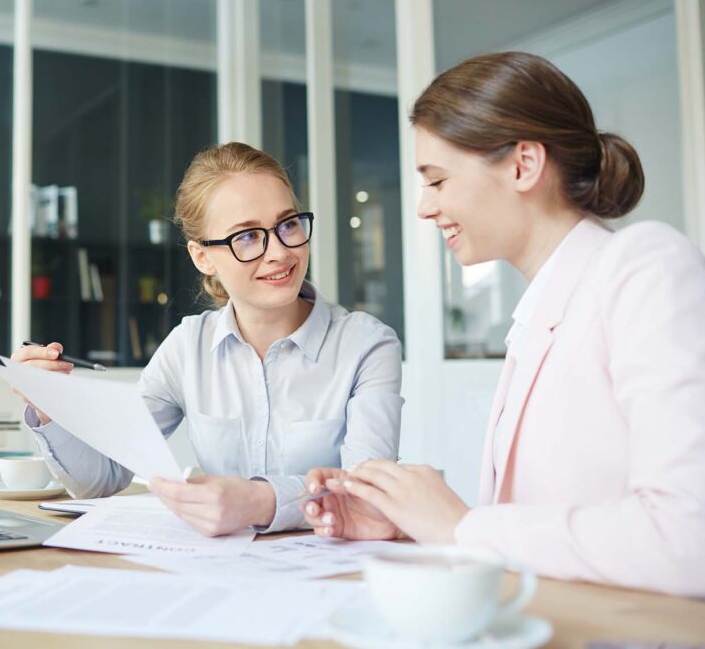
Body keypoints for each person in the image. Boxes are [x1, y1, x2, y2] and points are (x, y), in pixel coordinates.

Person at [302, 51, 705, 597]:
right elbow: (533, 525)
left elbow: (687, 538)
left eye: (437, 180)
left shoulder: (644, 267)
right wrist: (413, 526)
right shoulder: (539, 312)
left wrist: (458, 526)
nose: (423, 207)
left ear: (523, 165)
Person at [11, 142, 403, 535]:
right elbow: (102, 476)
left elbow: (366, 494)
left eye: (288, 224)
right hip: (218, 569)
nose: (280, 252)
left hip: (334, 574)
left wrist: (257, 501)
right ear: (203, 257)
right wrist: (47, 405)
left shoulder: (366, 346)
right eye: (247, 236)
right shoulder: (188, 347)